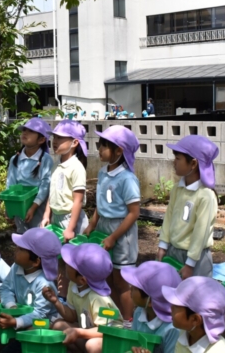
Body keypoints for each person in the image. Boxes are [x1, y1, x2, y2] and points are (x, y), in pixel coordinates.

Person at [83, 125, 140, 326]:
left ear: (119, 151)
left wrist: (114, 237)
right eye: (99, 144)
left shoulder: (127, 178)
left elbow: (134, 213)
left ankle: (128, 322)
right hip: (103, 231)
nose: (99, 149)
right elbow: (100, 203)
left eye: (104, 145)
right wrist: (92, 224)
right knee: (105, 277)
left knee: (122, 281)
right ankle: (113, 319)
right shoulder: (102, 173)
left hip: (122, 234)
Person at [157, 135, 219, 279]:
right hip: (173, 251)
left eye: (178, 159)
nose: (174, 162)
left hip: (195, 258)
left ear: (193, 164)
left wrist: (190, 264)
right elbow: (168, 219)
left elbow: (200, 233)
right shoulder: (177, 189)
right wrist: (163, 245)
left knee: (193, 298)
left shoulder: (205, 196)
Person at [42, 243, 122, 353]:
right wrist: (56, 301)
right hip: (87, 333)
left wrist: (79, 333)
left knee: (92, 346)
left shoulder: (98, 298)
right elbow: (72, 316)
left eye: (70, 264)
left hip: (111, 340)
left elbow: (105, 331)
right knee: (58, 326)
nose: (66, 263)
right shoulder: (73, 285)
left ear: (82, 280)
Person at [41, 119, 89, 297]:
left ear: (75, 143)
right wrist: (47, 215)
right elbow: (52, 194)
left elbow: (77, 201)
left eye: (61, 139)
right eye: (54, 138)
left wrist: (70, 228)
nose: (55, 142)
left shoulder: (76, 168)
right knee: (60, 260)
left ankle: (79, 299)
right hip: (57, 219)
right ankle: (62, 298)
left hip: (71, 220)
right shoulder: (57, 165)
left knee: (75, 264)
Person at [0, 228, 61, 353]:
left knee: (29, 334)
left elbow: (41, 314)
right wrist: (11, 305)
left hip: (46, 322)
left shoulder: (44, 284)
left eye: (21, 249)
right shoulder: (17, 267)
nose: (16, 249)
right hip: (25, 316)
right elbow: (5, 288)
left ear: (36, 261)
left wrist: (16, 321)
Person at [162, 276, 225, 353]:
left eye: (175, 306)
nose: (171, 307)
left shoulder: (217, 351)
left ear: (195, 319)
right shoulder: (185, 334)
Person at [6, 118, 54, 233]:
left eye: (31, 131)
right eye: (24, 130)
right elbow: (10, 183)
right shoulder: (15, 159)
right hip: (19, 205)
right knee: (22, 236)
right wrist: (9, 206)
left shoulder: (46, 160)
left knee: (37, 237)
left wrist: (33, 207)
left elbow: (45, 186)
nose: (25, 133)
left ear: (41, 140)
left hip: (38, 207)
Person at [123, 261, 182, 353]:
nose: (130, 289)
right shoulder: (139, 312)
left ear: (150, 301)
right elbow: (132, 343)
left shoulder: (172, 329)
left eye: (135, 288)